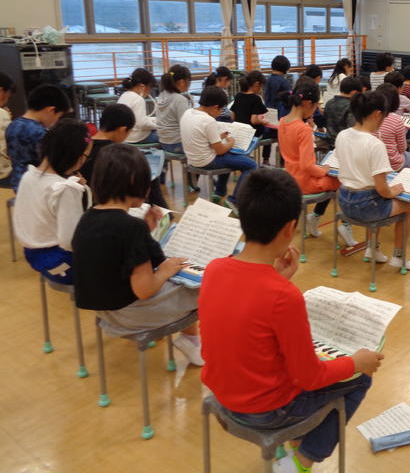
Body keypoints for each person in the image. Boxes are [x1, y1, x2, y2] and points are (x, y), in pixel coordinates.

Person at [199, 168, 382, 473]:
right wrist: (356, 362)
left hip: (221, 395)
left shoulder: (215, 268)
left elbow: (246, 311)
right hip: (267, 411)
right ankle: (303, 460)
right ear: (290, 228)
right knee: (361, 378)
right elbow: (309, 378)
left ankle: (296, 444)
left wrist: (278, 278)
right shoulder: (284, 296)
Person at [72, 144, 202, 365]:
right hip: (131, 315)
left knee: (172, 276)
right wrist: (165, 270)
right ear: (134, 181)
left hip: (105, 312)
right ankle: (191, 342)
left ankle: (176, 334)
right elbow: (145, 289)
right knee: (198, 285)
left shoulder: (87, 218)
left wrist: (146, 230)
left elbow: (116, 253)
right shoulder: (131, 227)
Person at [335, 92, 410, 270]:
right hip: (366, 206)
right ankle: (398, 257)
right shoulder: (375, 144)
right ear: (377, 114)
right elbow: (383, 190)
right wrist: (394, 191)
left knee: (376, 198)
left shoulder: (342, 135)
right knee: (407, 205)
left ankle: (373, 249)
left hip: (344, 201)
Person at [13, 120, 92, 286]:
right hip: (64, 264)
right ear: (76, 156)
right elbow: (71, 241)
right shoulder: (65, 189)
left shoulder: (28, 176)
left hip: (34, 256)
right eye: (85, 156)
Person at [278, 79, 355, 247]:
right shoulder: (303, 129)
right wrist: (323, 170)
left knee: (332, 179)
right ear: (307, 103)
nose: (315, 111)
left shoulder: (283, 121)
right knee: (342, 180)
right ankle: (345, 225)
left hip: (290, 178)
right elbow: (307, 166)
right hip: (305, 181)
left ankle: (314, 218)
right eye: (315, 107)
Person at [180, 86, 257, 207]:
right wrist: (231, 142)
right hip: (207, 161)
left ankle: (220, 192)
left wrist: (218, 137)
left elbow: (200, 137)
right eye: (221, 110)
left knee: (230, 156)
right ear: (216, 107)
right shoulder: (208, 120)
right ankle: (234, 201)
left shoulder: (188, 113)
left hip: (192, 159)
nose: (220, 113)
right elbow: (220, 150)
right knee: (252, 165)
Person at [6, 84, 70, 192]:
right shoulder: (39, 132)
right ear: (51, 110)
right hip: (37, 187)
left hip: (17, 182)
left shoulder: (13, 125)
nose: (56, 121)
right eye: (58, 117)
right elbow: (50, 163)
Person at [374, 84, 410, 171]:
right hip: (393, 164)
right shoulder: (396, 120)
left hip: (375, 162)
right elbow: (402, 149)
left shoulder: (370, 118)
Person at [156, 64, 193, 153]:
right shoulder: (180, 99)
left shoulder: (162, 94)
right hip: (177, 144)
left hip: (164, 142)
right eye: (189, 81)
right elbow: (186, 125)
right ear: (182, 82)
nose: (189, 84)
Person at [231, 70, 269, 156]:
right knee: (272, 131)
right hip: (252, 132)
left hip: (239, 130)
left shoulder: (238, 96)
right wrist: (263, 121)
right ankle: (266, 158)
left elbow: (232, 117)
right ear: (257, 84)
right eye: (261, 87)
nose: (261, 89)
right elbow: (254, 120)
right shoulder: (256, 98)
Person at [117, 68, 159, 144]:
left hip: (124, 136)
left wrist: (154, 119)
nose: (149, 92)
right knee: (166, 134)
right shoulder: (138, 99)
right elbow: (142, 124)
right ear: (142, 86)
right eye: (149, 88)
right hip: (136, 138)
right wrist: (160, 125)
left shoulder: (124, 95)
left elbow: (138, 119)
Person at [323, 77, 361, 148]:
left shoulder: (329, 103)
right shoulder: (351, 106)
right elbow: (352, 130)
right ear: (354, 92)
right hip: (346, 145)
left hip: (330, 144)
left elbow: (325, 123)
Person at [0, 72, 16, 188]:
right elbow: (9, 148)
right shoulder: (2, 114)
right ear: (1, 91)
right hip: (4, 177)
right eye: (8, 96)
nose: (6, 101)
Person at [265, 55, 294, 119]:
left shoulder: (268, 80)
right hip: (281, 114)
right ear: (286, 68)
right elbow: (290, 100)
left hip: (268, 113)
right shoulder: (284, 82)